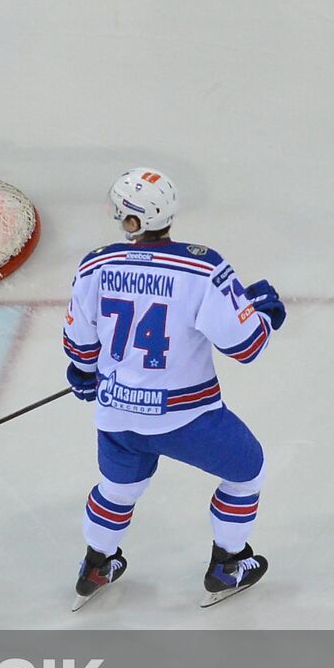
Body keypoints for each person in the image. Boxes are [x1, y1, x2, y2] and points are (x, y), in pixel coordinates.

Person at [63, 168, 286, 609]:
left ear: (130, 221)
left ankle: (97, 562)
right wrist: (263, 312)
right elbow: (247, 346)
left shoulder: (96, 264)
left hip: (118, 418)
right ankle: (229, 562)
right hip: (188, 419)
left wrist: (85, 374)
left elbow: (79, 348)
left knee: (118, 490)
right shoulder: (203, 267)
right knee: (247, 473)